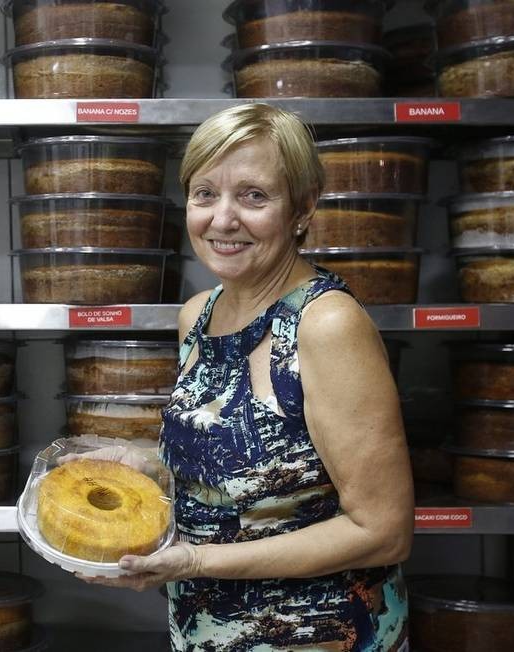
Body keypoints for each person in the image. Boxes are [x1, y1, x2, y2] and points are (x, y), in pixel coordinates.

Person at [81, 103, 414, 651]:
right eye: (205, 194)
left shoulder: (325, 325)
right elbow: (234, 476)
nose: (222, 219)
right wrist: (148, 467)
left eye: (254, 196)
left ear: (303, 208)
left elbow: (382, 531)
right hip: (205, 634)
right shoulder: (198, 315)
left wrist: (196, 561)